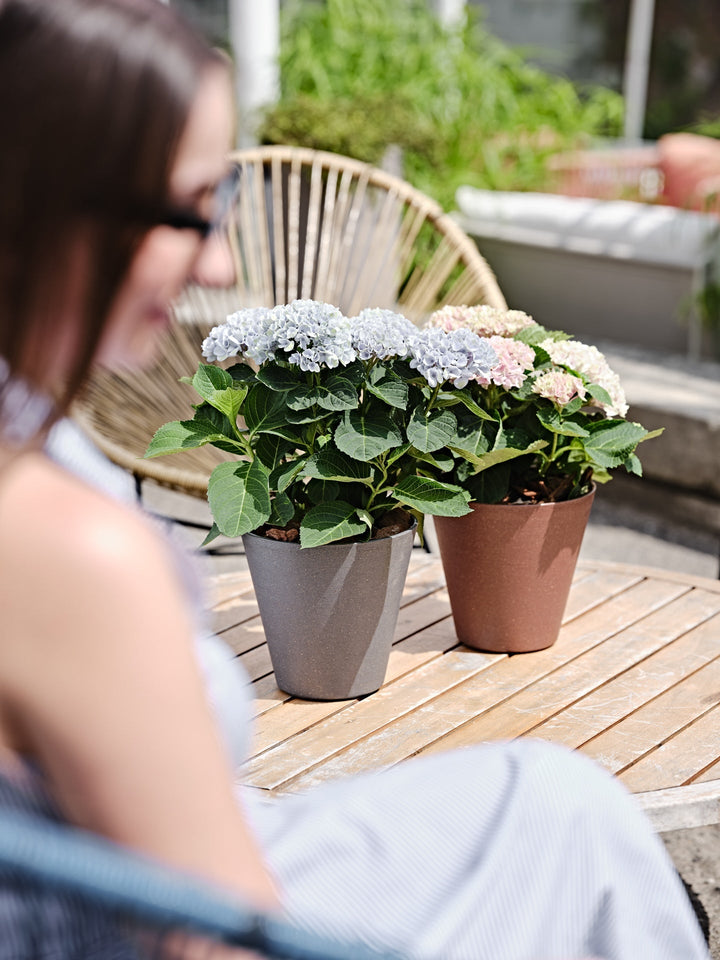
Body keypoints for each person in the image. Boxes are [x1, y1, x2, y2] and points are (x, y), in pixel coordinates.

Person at [0, 1, 710, 958]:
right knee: (577, 837)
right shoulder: (64, 552)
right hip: (224, 903)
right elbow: (213, 936)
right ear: (47, 205)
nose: (221, 259)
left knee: (549, 803)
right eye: (193, 209)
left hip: (208, 841)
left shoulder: (35, 452)